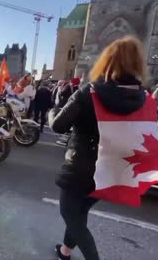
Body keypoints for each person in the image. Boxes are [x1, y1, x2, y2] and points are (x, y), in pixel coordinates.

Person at [49, 36, 148, 260]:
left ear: (108, 61)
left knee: (70, 214)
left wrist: (54, 108)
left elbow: (58, 125)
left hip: (82, 167)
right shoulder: (143, 98)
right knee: (81, 211)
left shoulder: (89, 92)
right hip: (113, 169)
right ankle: (65, 251)